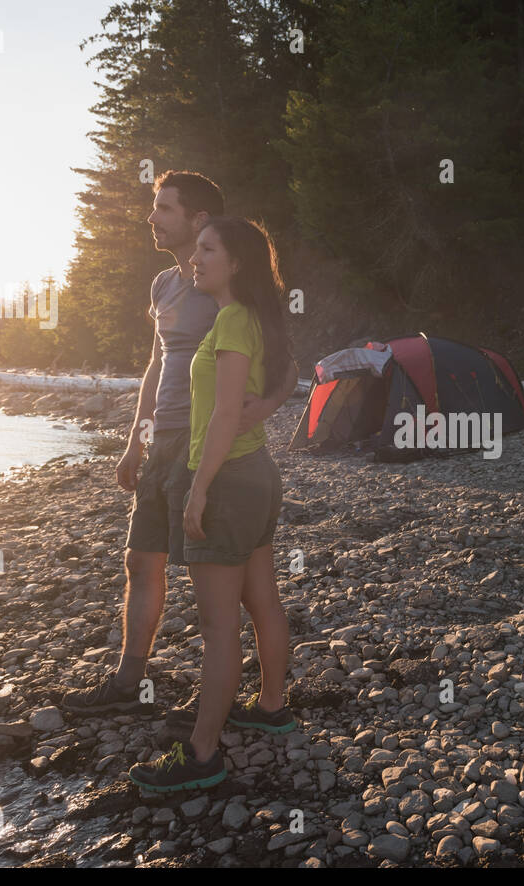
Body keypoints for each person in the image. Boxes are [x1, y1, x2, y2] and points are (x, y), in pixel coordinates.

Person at [62, 171, 294, 717]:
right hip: (161, 444)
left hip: (204, 450)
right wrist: (134, 442)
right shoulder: (164, 284)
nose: (152, 217)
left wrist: (267, 405)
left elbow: (283, 358)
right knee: (142, 564)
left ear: (198, 220)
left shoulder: (223, 283)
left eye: (164, 208)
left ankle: (223, 706)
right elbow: (155, 365)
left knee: (215, 583)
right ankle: (128, 683)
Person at [129, 216, 295, 793]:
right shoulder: (259, 318)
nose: (195, 259)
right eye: (195, 250)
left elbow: (225, 413)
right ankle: (271, 705)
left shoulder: (230, 319)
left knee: (218, 626)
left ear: (237, 263)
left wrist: (198, 488)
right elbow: (271, 388)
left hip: (226, 482)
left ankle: (203, 756)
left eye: (207, 250)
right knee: (263, 601)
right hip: (258, 474)